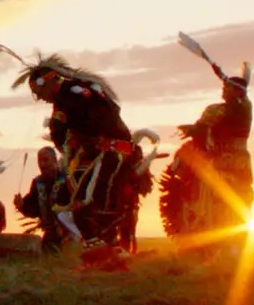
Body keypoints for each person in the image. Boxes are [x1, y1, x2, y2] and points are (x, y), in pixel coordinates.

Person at [12, 53, 155, 252]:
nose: (38, 97)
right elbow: (65, 133)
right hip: (106, 155)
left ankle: (105, 253)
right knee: (84, 208)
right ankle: (107, 252)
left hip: (111, 154)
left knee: (88, 208)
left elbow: (93, 122)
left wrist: (78, 138)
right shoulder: (71, 97)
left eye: (37, 91)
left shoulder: (73, 95)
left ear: (48, 80)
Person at [160, 66, 254, 243]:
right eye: (223, 88)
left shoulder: (226, 110)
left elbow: (201, 131)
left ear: (237, 91)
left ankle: (222, 246)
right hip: (236, 164)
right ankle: (225, 247)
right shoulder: (242, 108)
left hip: (224, 164)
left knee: (220, 205)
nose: (223, 91)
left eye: (227, 88)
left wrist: (194, 130)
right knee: (233, 205)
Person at [13, 146, 70, 251]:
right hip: (50, 234)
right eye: (39, 160)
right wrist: (22, 205)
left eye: (45, 160)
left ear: (54, 160)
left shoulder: (66, 179)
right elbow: (34, 209)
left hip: (70, 233)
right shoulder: (38, 183)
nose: (42, 164)